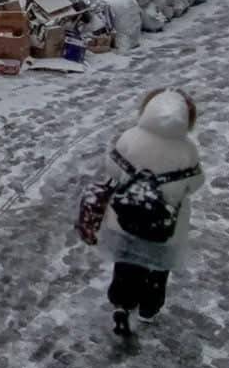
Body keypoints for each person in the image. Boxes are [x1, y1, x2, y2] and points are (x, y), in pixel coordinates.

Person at [78, 89, 205, 341]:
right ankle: (149, 308)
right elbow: (195, 183)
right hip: (164, 225)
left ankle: (122, 305)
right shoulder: (186, 150)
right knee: (158, 270)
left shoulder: (130, 138)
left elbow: (112, 168)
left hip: (127, 218)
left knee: (126, 266)